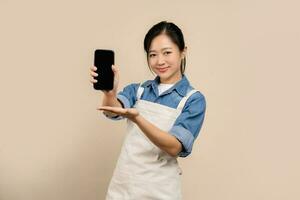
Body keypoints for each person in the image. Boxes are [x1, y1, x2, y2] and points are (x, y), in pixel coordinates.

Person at [89, 21, 206, 200]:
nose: (160, 61)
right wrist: (109, 93)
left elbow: (174, 147)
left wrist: (138, 120)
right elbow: (112, 111)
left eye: (167, 52)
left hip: (160, 190)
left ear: (183, 52)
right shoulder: (139, 90)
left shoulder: (193, 100)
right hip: (124, 186)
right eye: (152, 54)